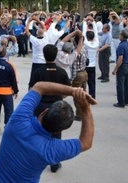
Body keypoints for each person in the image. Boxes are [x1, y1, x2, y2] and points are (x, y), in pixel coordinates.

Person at [0, 82, 96, 183]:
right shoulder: (50, 150)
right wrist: (86, 109)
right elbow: (86, 142)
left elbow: (39, 86)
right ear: (60, 130)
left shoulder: (18, 120)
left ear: (44, 112)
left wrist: (73, 91)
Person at [29, 44, 71, 172]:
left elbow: (31, 90)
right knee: (56, 135)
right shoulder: (61, 72)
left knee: (38, 133)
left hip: (40, 105)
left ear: (44, 55)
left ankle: (37, 159)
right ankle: (54, 162)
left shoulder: (38, 72)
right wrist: (60, 97)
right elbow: (68, 90)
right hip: (56, 106)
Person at [112, 30, 128, 108]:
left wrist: (115, 69)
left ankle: (121, 102)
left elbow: (120, 58)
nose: (119, 36)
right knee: (127, 84)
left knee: (120, 84)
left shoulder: (121, 46)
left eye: (120, 35)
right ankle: (126, 100)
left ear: (122, 36)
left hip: (122, 66)